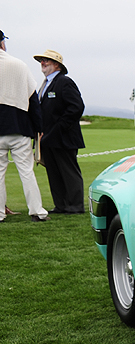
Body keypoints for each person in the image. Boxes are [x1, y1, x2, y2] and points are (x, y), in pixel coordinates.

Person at [0, 30, 47, 222]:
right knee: (27, 172)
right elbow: (33, 100)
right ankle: (37, 211)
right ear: (2, 43)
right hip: (19, 127)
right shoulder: (19, 64)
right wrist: (38, 128)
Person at [34, 48, 84, 215]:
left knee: (68, 172)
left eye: (46, 60)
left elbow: (76, 108)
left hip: (64, 138)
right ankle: (61, 205)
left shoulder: (64, 82)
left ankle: (75, 206)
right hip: (47, 139)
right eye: (41, 60)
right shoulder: (44, 85)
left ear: (57, 65)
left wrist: (59, 128)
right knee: (54, 173)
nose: (42, 63)